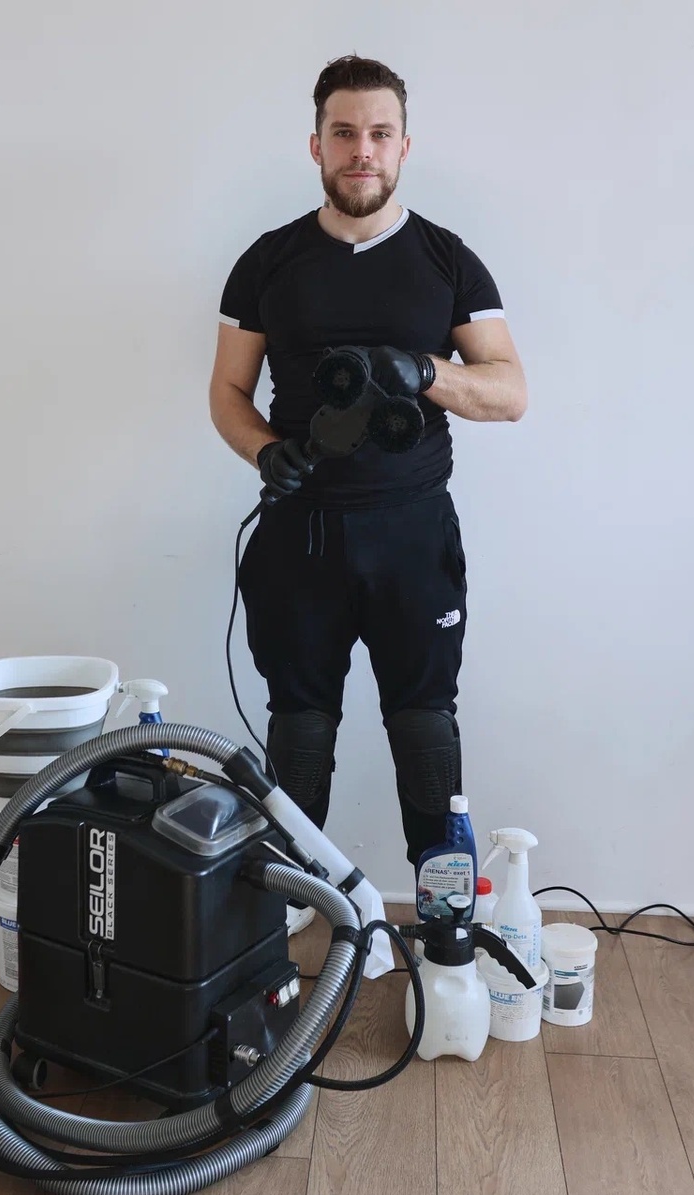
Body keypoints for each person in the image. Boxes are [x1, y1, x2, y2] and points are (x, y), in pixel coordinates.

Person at [209, 55, 527, 934]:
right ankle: (282, 923)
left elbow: (509, 391)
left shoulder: (447, 261)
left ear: (403, 146)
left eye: (379, 134)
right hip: (299, 535)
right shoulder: (267, 262)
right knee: (300, 726)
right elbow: (227, 393)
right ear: (316, 144)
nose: (362, 150)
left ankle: (444, 925)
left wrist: (424, 370)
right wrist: (266, 452)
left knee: (424, 726)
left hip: (412, 536)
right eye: (344, 133)